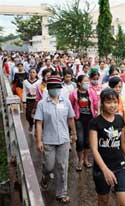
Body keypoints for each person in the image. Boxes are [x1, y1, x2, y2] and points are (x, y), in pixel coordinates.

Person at [34, 75, 77, 204]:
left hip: (64, 139)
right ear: (48, 89)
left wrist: (73, 133)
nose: (55, 90)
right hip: (48, 140)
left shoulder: (66, 101)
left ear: (60, 88)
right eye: (52, 88)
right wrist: (39, 141)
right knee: (49, 166)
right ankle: (45, 175)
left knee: (62, 167)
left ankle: (62, 193)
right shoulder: (42, 104)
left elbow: (70, 118)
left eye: (57, 87)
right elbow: (39, 123)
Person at [89, 88, 125, 206]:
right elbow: (94, 149)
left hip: (120, 165)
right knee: (103, 200)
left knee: (124, 202)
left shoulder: (119, 120)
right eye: (108, 102)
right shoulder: (95, 122)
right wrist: (105, 170)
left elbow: (123, 144)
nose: (112, 105)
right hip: (101, 168)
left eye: (115, 102)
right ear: (102, 103)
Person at [70, 75, 99, 171]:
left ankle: (86, 160)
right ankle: (80, 160)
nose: (87, 83)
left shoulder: (91, 92)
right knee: (80, 141)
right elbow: (70, 105)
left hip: (90, 119)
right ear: (79, 83)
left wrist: (97, 113)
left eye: (88, 81)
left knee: (87, 141)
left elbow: (96, 104)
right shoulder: (74, 93)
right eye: (85, 81)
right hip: (79, 119)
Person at [22, 68, 40, 132]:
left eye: (33, 72)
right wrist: (24, 102)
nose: (32, 74)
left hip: (37, 100)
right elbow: (24, 91)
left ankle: (36, 129)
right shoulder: (25, 82)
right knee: (28, 115)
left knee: (37, 114)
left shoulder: (39, 82)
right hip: (29, 100)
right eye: (31, 72)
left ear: (36, 74)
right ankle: (31, 123)